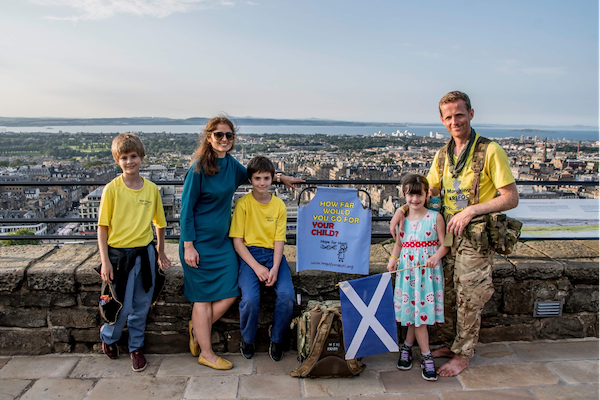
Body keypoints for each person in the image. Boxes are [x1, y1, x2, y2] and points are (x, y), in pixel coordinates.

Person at [390, 91, 518, 377]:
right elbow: (429, 191)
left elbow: (510, 198)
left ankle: (463, 355)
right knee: (446, 293)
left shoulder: (490, 150)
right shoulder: (443, 155)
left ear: (471, 114)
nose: (454, 121)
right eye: (448, 117)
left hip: (475, 236)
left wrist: (471, 210)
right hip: (445, 236)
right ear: (442, 120)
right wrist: (402, 209)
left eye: (459, 114)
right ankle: (451, 344)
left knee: (470, 294)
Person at [180, 116, 302, 370]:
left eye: (228, 135)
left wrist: (280, 178)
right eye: (219, 135)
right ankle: (206, 352)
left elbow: (256, 177)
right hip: (199, 242)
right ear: (209, 137)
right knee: (202, 299)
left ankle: (198, 327)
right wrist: (188, 245)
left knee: (233, 293)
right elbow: (186, 209)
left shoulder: (231, 165)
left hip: (222, 243)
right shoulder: (198, 168)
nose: (224, 139)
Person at [98, 133, 172, 372]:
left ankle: (136, 346)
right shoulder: (111, 190)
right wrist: (104, 261)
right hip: (119, 256)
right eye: (124, 158)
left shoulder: (151, 189)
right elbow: (102, 227)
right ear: (117, 161)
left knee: (142, 304)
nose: (129, 161)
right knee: (122, 304)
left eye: (133, 156)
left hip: (145, 253)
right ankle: (108, 336)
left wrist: (160, 253)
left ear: (141, 157)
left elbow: (160, 224)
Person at [229, 156, 295, 362]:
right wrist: (257, 267)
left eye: (266, 178)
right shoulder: (243, 205)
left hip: (274, 256)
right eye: (257, 178)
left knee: (287, 296)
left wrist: (275, 267)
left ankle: (277, 338)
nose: (262, 183)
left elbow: (278, 240)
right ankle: (247, 339)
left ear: (272, 179)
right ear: (250, 180)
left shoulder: (279, 206)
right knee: (249, 299)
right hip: (250, 256)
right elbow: (237, 242)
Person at [387, 173, 448, 381]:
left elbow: (445, 244)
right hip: (407, 272)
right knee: (414, 313)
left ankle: (425, 355)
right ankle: (407, 346)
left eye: (419, 195)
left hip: (426, 274)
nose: (415, 200)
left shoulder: (435, 217)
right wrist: (393, 259)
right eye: (410, 196)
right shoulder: (402, 219)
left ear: (426, 195)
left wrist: (435, 257)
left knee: (419, 317)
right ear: (404, 195)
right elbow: (399, 244)